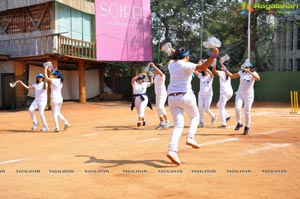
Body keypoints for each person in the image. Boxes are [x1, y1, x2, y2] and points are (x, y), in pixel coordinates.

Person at [166, 47, 219, 165]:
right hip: (185, 96)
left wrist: (174, 51)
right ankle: (190, 137)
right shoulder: (186, 65)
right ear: (186, 57)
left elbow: (175, 57)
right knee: (195, 117)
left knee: (178, 125)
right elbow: (202, 67)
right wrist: (214, 55)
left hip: (171, 98)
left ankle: (172, 150)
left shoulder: (171, 64)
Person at [225, 59, 260, 135]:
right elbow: (232, 76)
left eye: (247, 67)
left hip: (249, 95)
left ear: (250, 67)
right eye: (245, 67)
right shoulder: (241, 73)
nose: (245, 68)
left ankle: (247, 127)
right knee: (237, 108)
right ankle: (239, 123)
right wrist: (225, 70)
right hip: (240, 93)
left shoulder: (253, 73)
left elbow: (258, 78)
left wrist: (250, 72)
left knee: (246, 111)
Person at [44, 62, 70, 132]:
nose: (54, 75)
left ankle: (57, 127)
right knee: (58, 112)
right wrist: (50, 68)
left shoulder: (55, 80)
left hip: (54, 99)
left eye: (55, 75)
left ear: (56, 76)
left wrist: (45, 69)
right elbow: (54, 73)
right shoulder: (60, 81)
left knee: (54, 113)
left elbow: (46, 77)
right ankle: (66, 123)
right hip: (60, 99)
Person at [150, 62, 172, 129]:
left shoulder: (162, 75)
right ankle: (162, 123)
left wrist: (154, 66)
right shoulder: (156, 76)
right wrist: (151, 76)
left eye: (155, 69)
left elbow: (160, 72)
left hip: (162, 93)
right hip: (158, 94)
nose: (154, 70)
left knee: (160, 107)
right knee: (158, 108)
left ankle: (168, 121)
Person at [212, 60, 233, 128]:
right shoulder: (228, 73)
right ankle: (227, 116)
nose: (221, 66)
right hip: (230, 92)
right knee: (219, 105)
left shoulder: (222, 73)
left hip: (224, 92)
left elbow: (214, 71)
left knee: (221, 106)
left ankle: (224, 123)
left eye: (222, 66)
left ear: (225, 67)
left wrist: (214, 64)